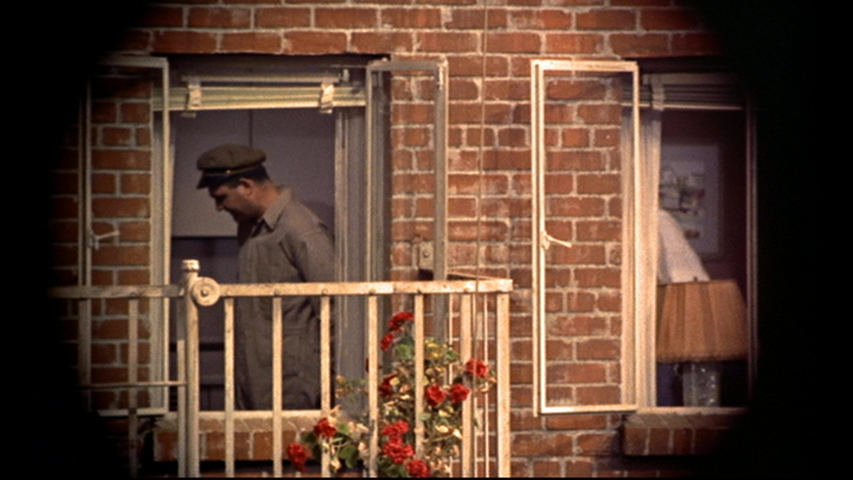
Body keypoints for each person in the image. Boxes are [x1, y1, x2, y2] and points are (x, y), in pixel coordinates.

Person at [196, 144, 335, 410]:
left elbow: (334, 307)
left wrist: (332, 384)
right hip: (253, 379)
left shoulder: (299, 228)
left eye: (222, 197)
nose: (219, 207)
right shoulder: (250, 227)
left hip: (292, 385)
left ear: (246, 186)